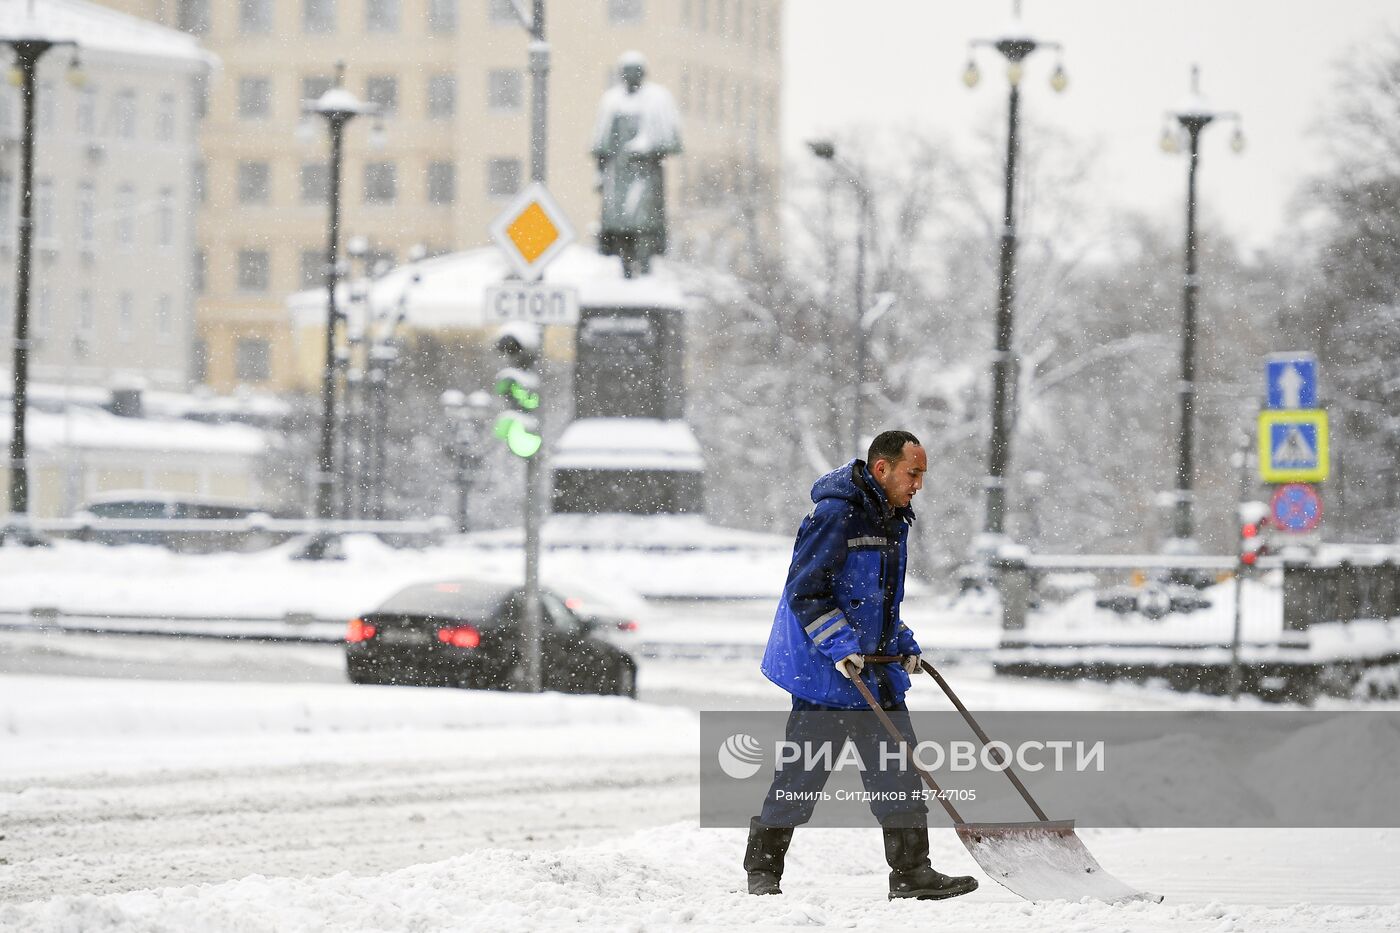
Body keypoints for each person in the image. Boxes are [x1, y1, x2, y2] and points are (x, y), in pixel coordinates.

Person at [743, 430, 979, 901]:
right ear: (882, 469)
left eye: (922, 476)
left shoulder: (894, 519)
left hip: (874, 670)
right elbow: (806, 590)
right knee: (801, 777)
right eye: (913, 474)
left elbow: (879, 601)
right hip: (828, 675)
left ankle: (912, 873)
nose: (918, 485)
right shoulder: (836, 514)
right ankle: (763, 872)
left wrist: (903, 643)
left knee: (900, 773)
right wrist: (840, 645)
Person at [590, 51, 683, 278]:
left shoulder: (658, 99)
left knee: (645, 224)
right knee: (620, 227)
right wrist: (601, 175)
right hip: (618, 175)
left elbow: (672, 141)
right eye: (626, 73)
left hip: (646, 174)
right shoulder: (611, 101)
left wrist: (649, 147)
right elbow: (601, 146)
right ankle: (625, 268)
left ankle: (645, 265)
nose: (630, 77)